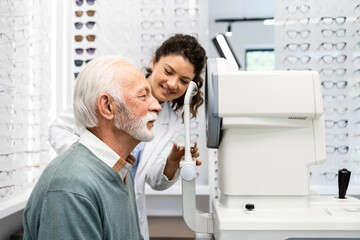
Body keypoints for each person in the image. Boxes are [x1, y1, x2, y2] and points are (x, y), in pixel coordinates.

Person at [47, 34, 207, 240]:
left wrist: (172, 163)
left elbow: (153, 179)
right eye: (168, 71)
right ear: (155, 61)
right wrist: (91, 165)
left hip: (127, 206)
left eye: (184, 81)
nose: (173, 83)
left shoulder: (171, 121)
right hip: (91, 190)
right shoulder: (118, 88)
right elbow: (59, 129)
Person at [23, 56, 162, 240]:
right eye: (143, 96)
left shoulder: (122, 171)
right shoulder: (72, 186)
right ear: (107, 106)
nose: (157, 106)